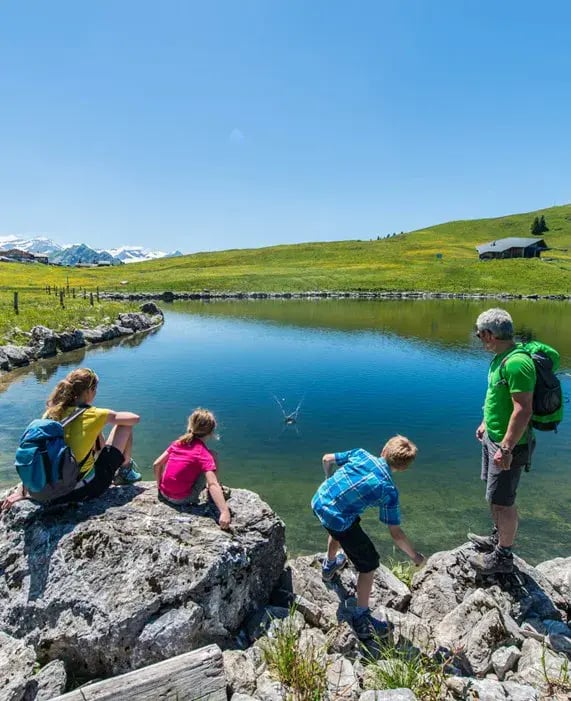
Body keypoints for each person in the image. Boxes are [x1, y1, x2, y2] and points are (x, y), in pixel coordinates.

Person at [311, 435, 425, 640]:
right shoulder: (389, 490)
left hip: (318, 501)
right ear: (403, 468)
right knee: (369, 564)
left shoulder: (360, 454)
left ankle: (329, 566)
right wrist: (415, 557)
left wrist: (328, 481)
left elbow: (326, 459)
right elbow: (396, 534)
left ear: (383, 450)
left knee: (343, 523)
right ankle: (362, 617)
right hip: (338, 518)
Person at [1, 367, 141, 510]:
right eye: (95, 389)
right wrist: (104, 417)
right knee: (124, 426)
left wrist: (23, 489)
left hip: (43, 492)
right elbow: (134, 418)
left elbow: (38, 451)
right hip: (78, 490)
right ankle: (125, 471)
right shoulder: (94, 414)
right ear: (89, 391)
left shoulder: (50, 414)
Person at [469, 308, 535, 575]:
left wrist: (506, 447)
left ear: (488, 334)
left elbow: (523, 409)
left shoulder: (517, 363)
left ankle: (503, 558)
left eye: (479, 334)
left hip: (509, 445)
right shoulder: (500, 358)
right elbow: (498, 398)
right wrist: (486, 423)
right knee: (495, 496)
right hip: (494, 439)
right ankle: (498, 539)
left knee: (504, 501)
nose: (478, 339)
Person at [153, 408, 231, 530]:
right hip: (181, 499)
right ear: (211, 432)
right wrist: (224, 511)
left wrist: (159, 486)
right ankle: (216, 494)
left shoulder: (178, 443)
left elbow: (157, 464)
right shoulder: (203, 454)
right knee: (212, 458)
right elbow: (211, 484)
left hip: (163, 493)